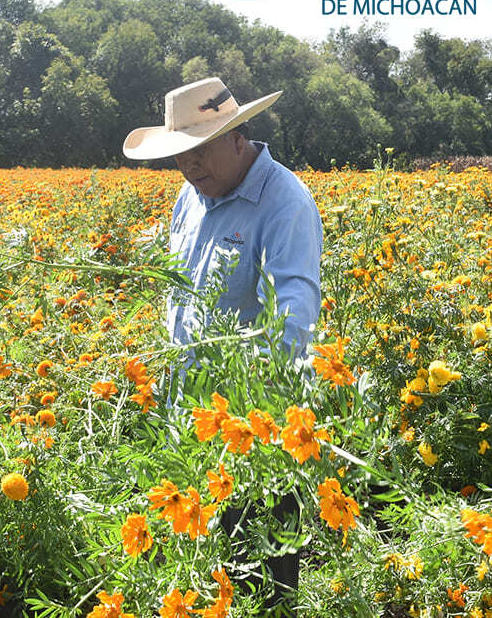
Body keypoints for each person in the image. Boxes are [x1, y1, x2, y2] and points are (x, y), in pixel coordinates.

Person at [122, 77, 323, 616]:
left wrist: (248, 412)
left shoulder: (284, 202)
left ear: (237, 138)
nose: (188, 167)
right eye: (179, 156)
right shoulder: (192, 195)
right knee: (198, 573)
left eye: (199, 151)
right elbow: (181, 295)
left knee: (259, 576)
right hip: (188, 418)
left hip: (252, 427)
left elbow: (293, 316)